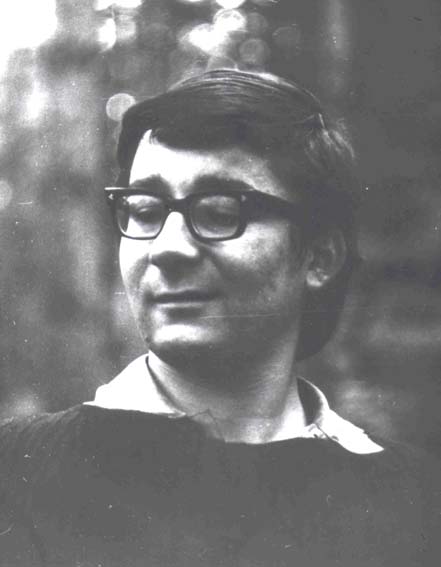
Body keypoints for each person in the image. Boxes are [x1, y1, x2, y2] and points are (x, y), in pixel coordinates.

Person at [0, 69, 439, 566]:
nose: (166, 248)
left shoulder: (419, 503)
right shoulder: (15, 474)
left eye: (220, 211)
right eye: (144, 209)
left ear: (320, 257)